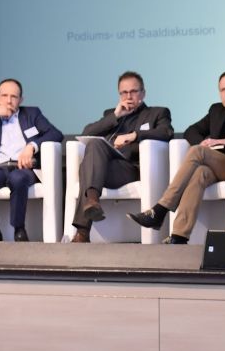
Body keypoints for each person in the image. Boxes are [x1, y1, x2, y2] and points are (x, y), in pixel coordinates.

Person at [128, 71, 225, 244]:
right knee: (200, 173)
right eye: (223, 89)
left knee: (198, 152)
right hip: (216, 166)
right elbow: (191, 131)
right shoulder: (216, 110)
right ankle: (179, 236)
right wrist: (204, 142)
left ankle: (160, 209)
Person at [70, 71, 174, 243]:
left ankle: (82, 232)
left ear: (143, 93)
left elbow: (166, 132)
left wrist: (134, 135)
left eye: (133, 91)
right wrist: (116, 115)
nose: (129, 96)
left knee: (87, 169)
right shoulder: (112, 114)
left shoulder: (157, 113)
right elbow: (86, 133)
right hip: (105, 169)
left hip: (130, 169)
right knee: (94, 146)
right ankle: (92, 200)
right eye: (124, 93)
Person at [0, 78, 62, 242]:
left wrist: (32, 146)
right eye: (4, 95)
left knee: (18, 178)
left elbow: (56, 134)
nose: (9, 100)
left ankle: (19, 229)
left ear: (21, 100)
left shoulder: (32, 114)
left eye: (14, 96)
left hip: (24, 169)